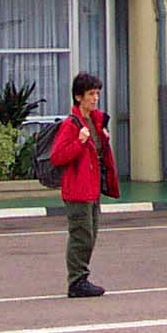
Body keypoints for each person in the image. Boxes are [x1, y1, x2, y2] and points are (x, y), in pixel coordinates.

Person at [50, 72, 119, 297]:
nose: (95, 98)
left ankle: (81, 277)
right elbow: (57, 156)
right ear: (79, 97)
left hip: (92, 188)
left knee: (90, 235)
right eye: (91, 94)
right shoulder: (71, 124)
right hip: (78, 189)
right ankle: (77, 280)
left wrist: (103, 138)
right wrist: (79, 142)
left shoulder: (95, 122)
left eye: (97, 93)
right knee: (81, 235)